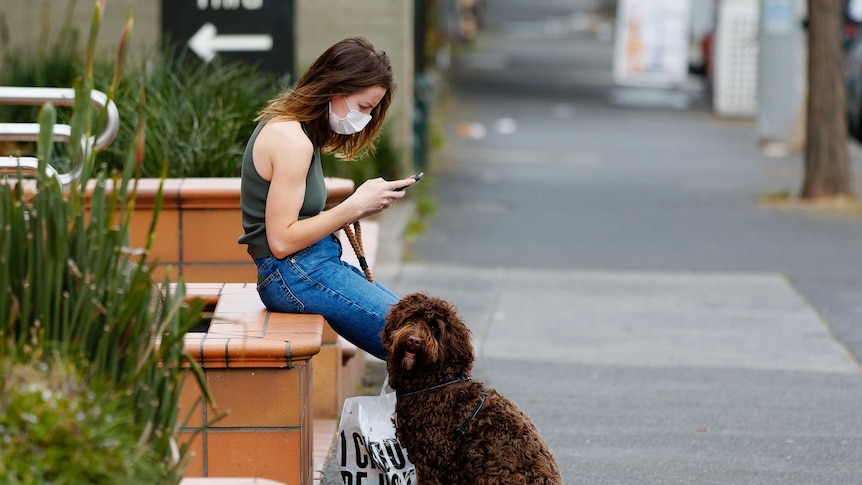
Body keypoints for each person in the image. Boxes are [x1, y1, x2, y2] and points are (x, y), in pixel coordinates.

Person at [238, 37, 416, 361]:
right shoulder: (292, 139)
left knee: (420, 330)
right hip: (293, 272)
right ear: (336, 87)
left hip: (309, 266)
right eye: (364, 107)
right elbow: (280, 241)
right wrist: (355, 206)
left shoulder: (298, 130)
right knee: (416, 343)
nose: (366, 116)